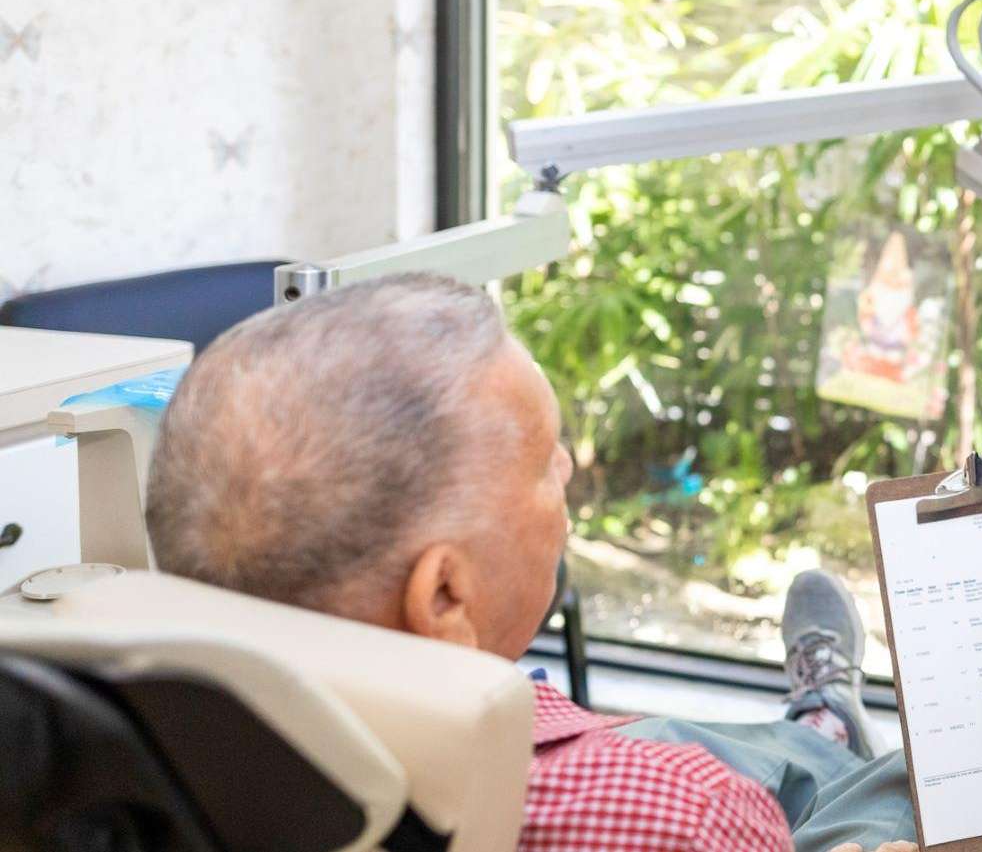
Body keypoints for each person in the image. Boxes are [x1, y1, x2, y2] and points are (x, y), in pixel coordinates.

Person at [142, 273, 916, 852]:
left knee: (684, 730)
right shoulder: (694, 815)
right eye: (544, 460)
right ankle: (848, 757)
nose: (572, 466)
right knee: (912, 787)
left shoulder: (117, 773)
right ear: (443, 595)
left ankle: (822, 730)